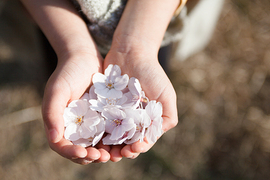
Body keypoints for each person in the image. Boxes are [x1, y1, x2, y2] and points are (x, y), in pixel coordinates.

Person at [19, 0, 224, 165]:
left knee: (159, 63)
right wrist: (73, 48)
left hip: (151, 20)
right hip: (60, 23)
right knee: (56, 71)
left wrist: (138, 46)